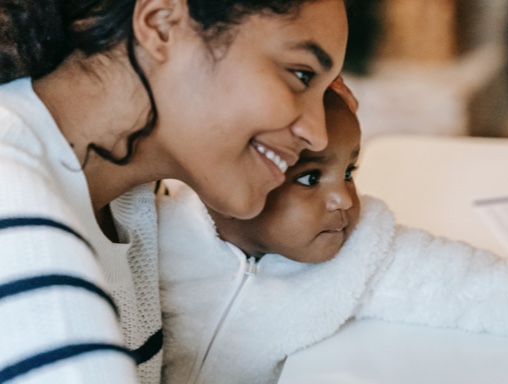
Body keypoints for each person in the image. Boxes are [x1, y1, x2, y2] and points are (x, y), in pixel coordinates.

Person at [158, 89, 508, 384]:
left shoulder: (354, 252)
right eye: (309, 178)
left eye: (349, 171)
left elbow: (439, 276)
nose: (345, 200)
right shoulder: (158, 228)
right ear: (224, 174)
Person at [0, 1, 349, 383]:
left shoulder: (131, 206)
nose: (318, 134)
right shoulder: (14, 204)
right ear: (161, 25)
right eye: (301, 75)